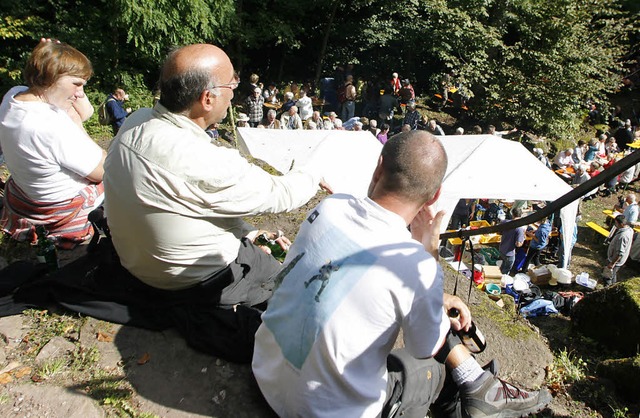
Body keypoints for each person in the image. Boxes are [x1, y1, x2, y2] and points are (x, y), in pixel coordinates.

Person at [252, 131, 551, 418]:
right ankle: (480, 392)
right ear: (435, 196)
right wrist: (429, 254)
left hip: (266, 375)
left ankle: (481, 391)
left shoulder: (331, 206)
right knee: (433, 372)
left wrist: (430, 281)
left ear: (379, 166)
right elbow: (425, 347)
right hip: (323, 411)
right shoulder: (416, 265)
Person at [104, 43, 331, 298]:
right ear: (207, 99)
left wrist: (249, 232)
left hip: (136, 263)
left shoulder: (137, 121)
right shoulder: (200, 158)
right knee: (293, 284)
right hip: (187, 282)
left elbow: (190, 202)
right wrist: (315, 169)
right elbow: (281, 194)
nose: (234, 93)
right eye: (231, 86)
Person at [0, 39, 105, 247]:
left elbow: (87, 112)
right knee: (121, 172)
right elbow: (103, 170)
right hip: (58, 206)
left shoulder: (13, 96)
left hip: (26, 196)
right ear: (52, 76)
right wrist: (76, 125)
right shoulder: (49, 124)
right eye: (76, 84)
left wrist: (56, 55)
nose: (79, 93)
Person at [605, 215, 634, 286]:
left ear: (621, 224)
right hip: (618, 260)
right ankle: (613, 286)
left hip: (615, 261)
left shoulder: (623, 236)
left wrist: (612, 263)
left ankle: (607, 291)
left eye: (616, 223)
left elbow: (620, 253)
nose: (615, 225)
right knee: (613, 275)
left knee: (608, 277)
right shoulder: (630, 229)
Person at [498, 207, 526, 275]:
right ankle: (502, 280)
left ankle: (499, 275)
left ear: (512, 214)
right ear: (521, 215)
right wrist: (523, 239)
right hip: (509, 253)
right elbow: (518, 244)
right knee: (506, 270)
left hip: (502, 249)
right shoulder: (519, 229)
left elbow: (499, 231)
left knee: (503, 265)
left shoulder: (505, 222)